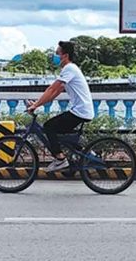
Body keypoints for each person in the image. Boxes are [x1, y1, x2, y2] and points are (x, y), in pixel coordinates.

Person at [26, 41, 94, 172]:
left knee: (49, 127)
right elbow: (55, 92)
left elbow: (52, 89)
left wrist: (35, 105)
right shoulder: (68, 69)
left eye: (58, 53)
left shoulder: (69, 68)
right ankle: (83, 153)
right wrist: (37, 104)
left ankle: (60, 159)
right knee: (60, 134)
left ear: (65, 55)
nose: (55, 56)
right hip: (81, 110)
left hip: (80, 111)